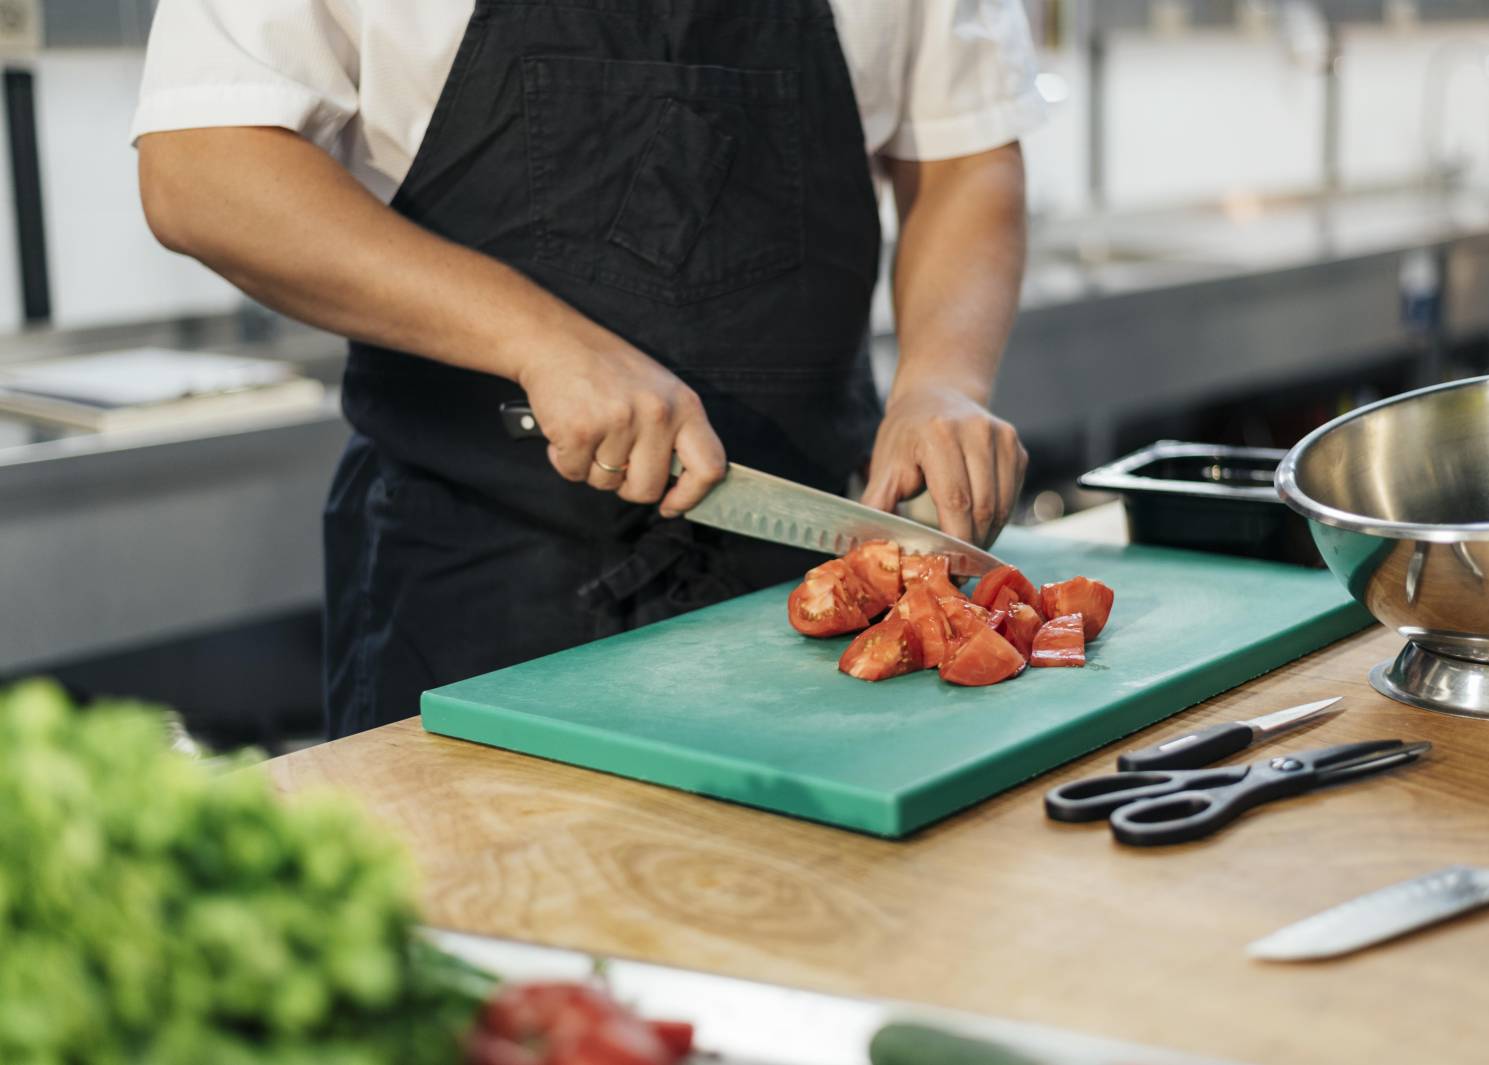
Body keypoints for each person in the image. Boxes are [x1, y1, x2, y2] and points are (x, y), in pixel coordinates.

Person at [133, 0, 1045, 738]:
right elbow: (202, 164)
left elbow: (966, 159)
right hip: (472, 587)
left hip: (807, 594)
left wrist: (943, 378)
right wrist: (538, 338)